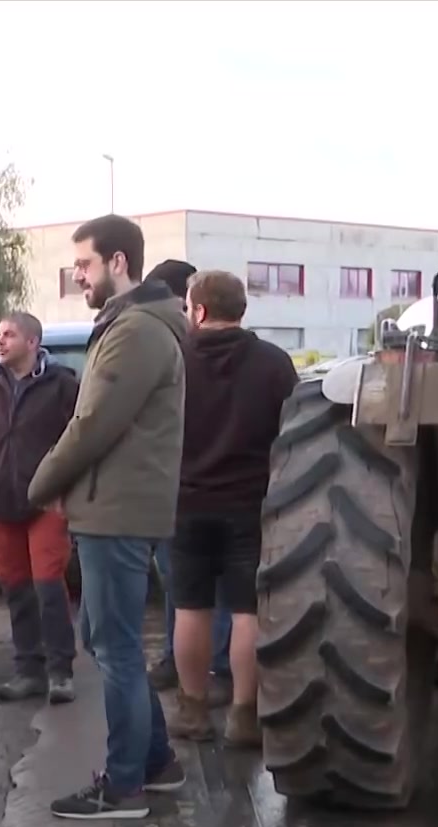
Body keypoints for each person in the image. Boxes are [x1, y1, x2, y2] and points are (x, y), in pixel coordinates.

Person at [28, 215, 189, 822]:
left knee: (116, 650)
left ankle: (123, 787)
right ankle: (156, 762)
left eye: (85, 264)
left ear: (118, 262)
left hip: (118, 512)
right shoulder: (130, 324)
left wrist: (41, 484)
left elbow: (92, 423)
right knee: (103, 638)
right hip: (110, 507)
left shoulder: (138, 330)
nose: (78, 274)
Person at [167, 270, 297, 747]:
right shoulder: (274, 363)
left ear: (199, 310)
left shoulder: (175, 361)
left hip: (186, 504)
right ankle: (244, 717)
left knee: (191, 609)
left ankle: (193, 711)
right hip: (252, 506)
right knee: (248, 612)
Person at [0, 311, 81, 703]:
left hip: (46, 503)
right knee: (16, 590)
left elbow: (81, 440)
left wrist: (68, 492)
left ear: (32, 342)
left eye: (9, 335)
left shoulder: (63, 386)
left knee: (48, 585)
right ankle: (28, 670)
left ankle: (61, 672)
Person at [137, 259, 229, 696]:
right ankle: (196, 664)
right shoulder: (169, 352)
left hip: (190, 489)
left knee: (197, 586)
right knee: (191, 585)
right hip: (188, 491)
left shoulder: (178, 355)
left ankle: (206, 669)